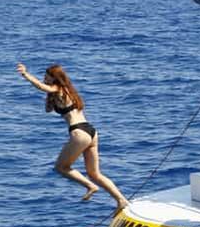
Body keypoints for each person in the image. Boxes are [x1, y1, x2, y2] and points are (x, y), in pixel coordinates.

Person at [16, 63, 129, 210]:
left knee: (61, 167)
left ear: (54, 78)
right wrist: (49, 94)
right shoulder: (67, 91)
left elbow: (41, 87)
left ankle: (90, 186)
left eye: (46, 76)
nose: (44, 78)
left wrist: (26, 75)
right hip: (91, 131)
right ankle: (121, 200)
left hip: (79, 133)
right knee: (94, 173)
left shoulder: (57, 89)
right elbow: (48, 109)